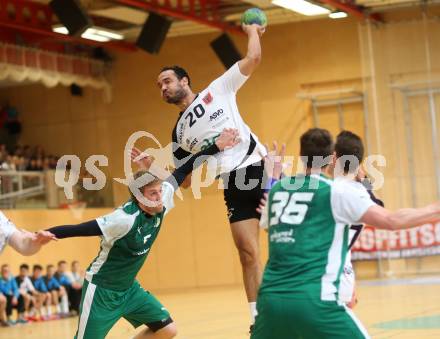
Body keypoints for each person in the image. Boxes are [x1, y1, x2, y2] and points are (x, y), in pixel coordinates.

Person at [43, 128, 240, 339]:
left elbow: (185, 169)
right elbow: (80, 229)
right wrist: (44, 233)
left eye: (159, 191)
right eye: (152, 194)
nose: (159, 197)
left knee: (167, 329)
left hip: (129, 289)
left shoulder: (162, 197)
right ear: (139, 198)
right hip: (102, 291)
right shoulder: (123, 219)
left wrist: (216, 146)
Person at [252, 128, 440, 339]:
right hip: (322, 286)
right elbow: (386, 214)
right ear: (332, 157)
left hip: (272, 297)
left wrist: (274, 177)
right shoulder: (343, 191)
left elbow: (270, 224)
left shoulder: (281, 190)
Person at [157, 22, 267, 327]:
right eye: (159, 86)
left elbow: (253, 59)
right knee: (248, 253)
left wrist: (253, 32)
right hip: (231, 183)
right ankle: (259, 322)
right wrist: (152, 168)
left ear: (184, 80)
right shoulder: (178, 132)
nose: (163, 88)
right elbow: (186, 177)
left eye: (166, 81)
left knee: (289, 239)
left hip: (256, 167)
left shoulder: (218, 89)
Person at [331, 131, 384, 308]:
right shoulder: (361, 193)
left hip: (327, 267)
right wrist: (364, 178)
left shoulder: (332, 191)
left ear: (334, 157)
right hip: (343, 265)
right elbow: (379, 206)